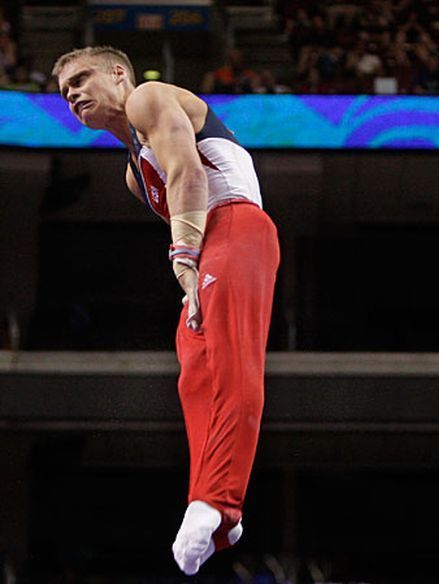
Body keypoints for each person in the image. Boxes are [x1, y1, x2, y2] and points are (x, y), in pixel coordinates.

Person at [52, 46, 280, 576]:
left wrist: (185, 265)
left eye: (82, 79)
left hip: (235, 227)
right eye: (65, 91)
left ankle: (220, 500)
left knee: (228, 362)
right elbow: (171, 193)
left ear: (118, 73)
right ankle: (213, 506)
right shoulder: (133, 173)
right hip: (208, 246)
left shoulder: (149, 98)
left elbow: (189, 176)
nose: (74, 94)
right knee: (194, 376)